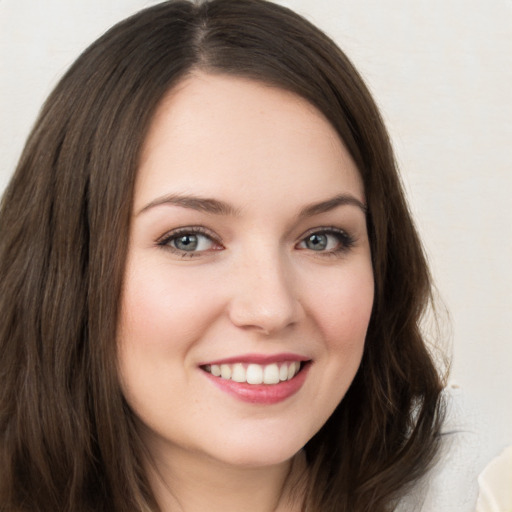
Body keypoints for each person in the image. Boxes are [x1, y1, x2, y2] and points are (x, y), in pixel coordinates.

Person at [0, 1, 446, 511]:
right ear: (70, 268)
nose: (271, 308)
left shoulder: (481, 487)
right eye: (188, 239)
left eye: (321, 238)